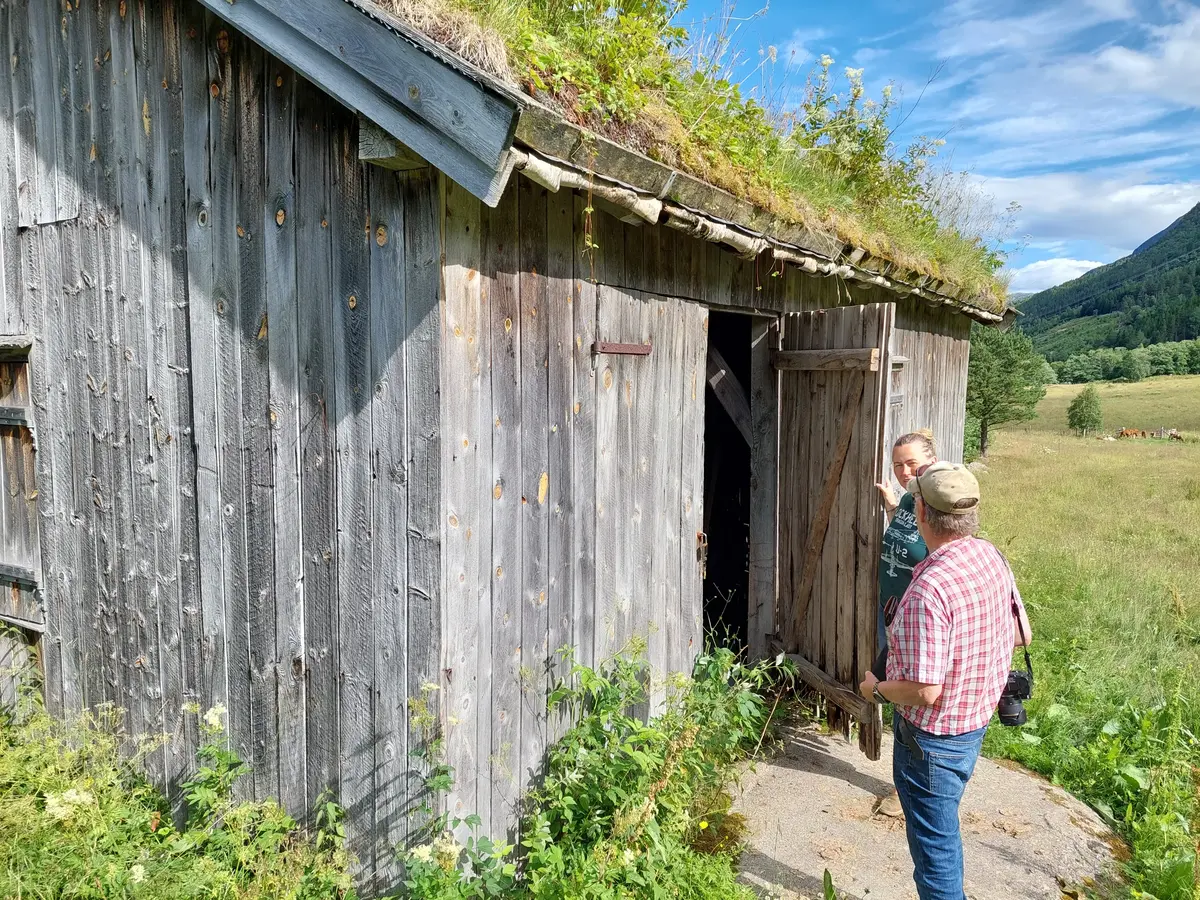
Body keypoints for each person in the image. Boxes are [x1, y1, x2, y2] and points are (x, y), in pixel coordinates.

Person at [858, 462, 1033, 900]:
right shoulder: (990, 554)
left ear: (920, 512)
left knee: (935, 854)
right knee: (943, 828)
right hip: (973, 723)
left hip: (930, 743)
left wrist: (874, 690)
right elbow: (1021, 633)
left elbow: (925, 691)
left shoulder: (929, 588)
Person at [871, 430, 938, 818]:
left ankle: (912, 791)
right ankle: (907, 782)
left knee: (912, 699)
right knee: (903, 700)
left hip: (917, 620)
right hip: (893, 614)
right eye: (897, 464)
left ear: (932, 459)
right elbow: (909, 538)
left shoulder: (937, 500)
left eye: (912, 463)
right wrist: (894, 507)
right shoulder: (914, 498)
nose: (903, 470)